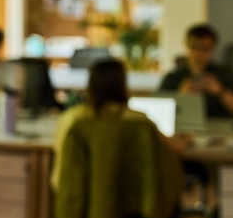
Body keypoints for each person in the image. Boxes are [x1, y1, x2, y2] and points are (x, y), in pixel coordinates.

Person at [51, 58, 189, 192]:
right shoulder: (138, 120)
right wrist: (185, 140)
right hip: (126, 196)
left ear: (90, 86)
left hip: (80, 193)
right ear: (123, 85)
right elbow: (174, 148)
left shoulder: (71, 118)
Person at [159, 23, 233, 117]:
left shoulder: (224, 74)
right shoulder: (173, 77)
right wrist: (180, 96)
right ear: (186, 46)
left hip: (220, 128)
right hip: (184, 128)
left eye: (205, 49)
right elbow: (160, 112)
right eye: (194, 47)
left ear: (213, 49)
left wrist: (219, 91)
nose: (198, 54)